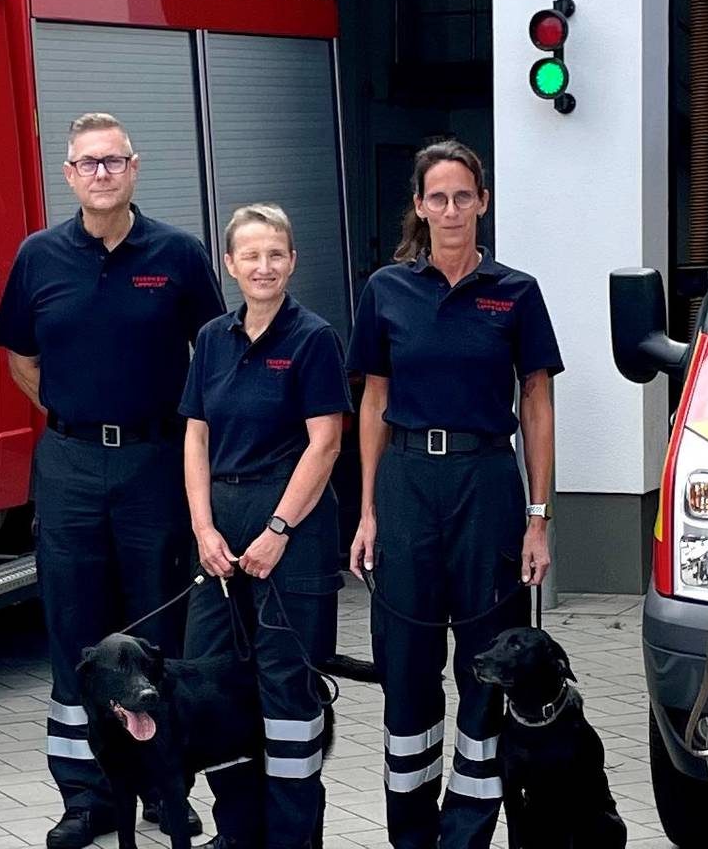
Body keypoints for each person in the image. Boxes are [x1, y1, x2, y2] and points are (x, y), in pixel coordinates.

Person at [0, 114, 225, 849]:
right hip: (70, 464)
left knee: (157, 632)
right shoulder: (39, 256)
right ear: (68, 174)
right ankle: (85, 798)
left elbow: (215, 353)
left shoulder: (178, 255)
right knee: (74, 631)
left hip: (154, 463)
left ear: (134, 168)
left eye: (113, 161)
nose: (101, 173)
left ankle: (164, 788)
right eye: (87, 163)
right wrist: (78, 415)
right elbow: (21, 360)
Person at [346, 139, 561, 849]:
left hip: (486, 483)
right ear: (419, 205)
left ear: (482, 202)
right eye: (436, 197)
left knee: (486, 665)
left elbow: (536, 404)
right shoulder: (387, 291)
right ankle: (411, 834)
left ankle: (465, 832)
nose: (450, 209)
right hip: (407, 483)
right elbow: (373, 403)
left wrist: (538, 517)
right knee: (407, 666)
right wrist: (367, 511)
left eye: (463, 196)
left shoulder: (516, 292)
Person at [183, 204, 347, 849]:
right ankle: (238, 834)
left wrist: (278, 530)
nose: (263, 266)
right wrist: (203, 528)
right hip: (219, 532)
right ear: (229, 264)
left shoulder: (313, 338)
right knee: (213, 682)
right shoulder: (212, 339)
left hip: (291, 530)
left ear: (292, 261)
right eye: (250, 255)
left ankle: (292, 837)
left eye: (275, 254)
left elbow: (325, 443)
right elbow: (196, 437)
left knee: (286, 690)